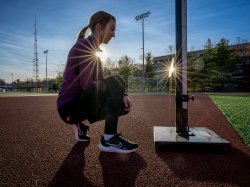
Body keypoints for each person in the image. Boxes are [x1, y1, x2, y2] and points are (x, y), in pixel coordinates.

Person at [57, 11, 138, 153]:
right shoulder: (84, 46)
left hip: (78, 104)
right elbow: (88, 84)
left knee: (120, 99)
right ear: (99, 27)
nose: (114, 34)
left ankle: (83, 127)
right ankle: (108, 139)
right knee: (116, 80)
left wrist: (122, 95)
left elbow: (100, 84)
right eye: (112, 28)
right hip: (69, 106)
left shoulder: (95, 54)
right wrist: (116, 94)